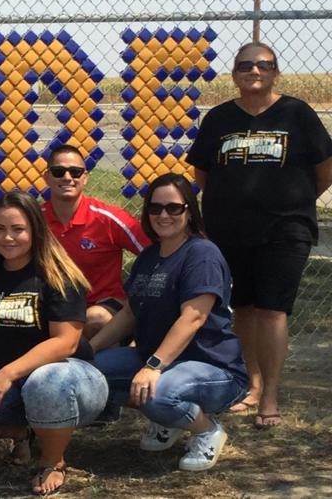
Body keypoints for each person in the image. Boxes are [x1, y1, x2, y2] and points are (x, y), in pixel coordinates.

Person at [186, 42, 332, 429]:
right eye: (246, 65)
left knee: (272, 309)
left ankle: (270, 395)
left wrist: (295, 200)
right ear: (234, 73)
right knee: (245, 308)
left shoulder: (297, 113)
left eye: (264, 65)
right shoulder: (219, 118)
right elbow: (203, 174)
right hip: (229, 228)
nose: (255, 71)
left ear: (275, 72)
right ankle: (251, 385)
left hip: (286, 228)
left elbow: (324, 168)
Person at [0, 191, 106, 496]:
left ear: (35, 231)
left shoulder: (58, 275)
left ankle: (53, 461)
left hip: (69, 377)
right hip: (6, 378)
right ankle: (25, 430)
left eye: (18, 229)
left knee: (44, 381)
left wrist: (8, 373)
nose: (8, 237)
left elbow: (65, 342)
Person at [91, 173, 248, 472]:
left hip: (211, 366)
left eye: (173, 208)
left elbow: (193, 317)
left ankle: (206, 430)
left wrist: (153, 366)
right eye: (155, 208)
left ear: (189, 210)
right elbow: (129, 313)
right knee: (90, 372)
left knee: (159, 393)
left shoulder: (202, 254)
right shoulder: (149, 256)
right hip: (159, 359)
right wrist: (89, 349)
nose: (163, 215)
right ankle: (169, 419)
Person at [41, 144, 149, 338]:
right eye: (58, 171)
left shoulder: (108, 218)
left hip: (102, 307)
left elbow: (155, 251)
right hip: (54, 307)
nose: (67, 177)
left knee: (96, 318)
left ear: (85, 177)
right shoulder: (34, 220)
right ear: (47, 177)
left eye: (75, 172)